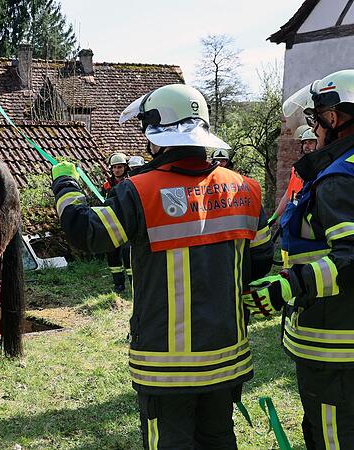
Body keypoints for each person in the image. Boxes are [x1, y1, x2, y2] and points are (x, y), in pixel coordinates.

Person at [52, 84, 273, 448]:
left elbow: (86, 233)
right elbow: (261, 260)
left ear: (156, 136)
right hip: (227, 357)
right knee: (218, 438)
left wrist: (65, 184)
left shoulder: (138, 191)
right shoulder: (245, 188)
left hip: (166, 366)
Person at [243, 69, 354, 449]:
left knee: (331, 437)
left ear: (333, 118)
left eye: (314, 120)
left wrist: (288, 284)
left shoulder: (340, 179)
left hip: (337, 349)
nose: (313, 130)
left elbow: (351, 260)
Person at [270, 127, 318, 227]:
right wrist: (275, 216)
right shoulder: (296, 169)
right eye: (305, 143)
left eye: (310, 142)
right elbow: (289, 194)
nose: (306, 146)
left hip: (307, 216)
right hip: (292, 213)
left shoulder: (320, 168)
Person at [101, 153, 132, 292]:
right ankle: (118, 284)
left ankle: (134, 284)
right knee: (112, 254)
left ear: (125, 168)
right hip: (112, 224)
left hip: (128, 224)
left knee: (128, 255)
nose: (117, 170)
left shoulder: (131, 183)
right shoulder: (106, 186)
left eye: (119, 167)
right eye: (114, 167)